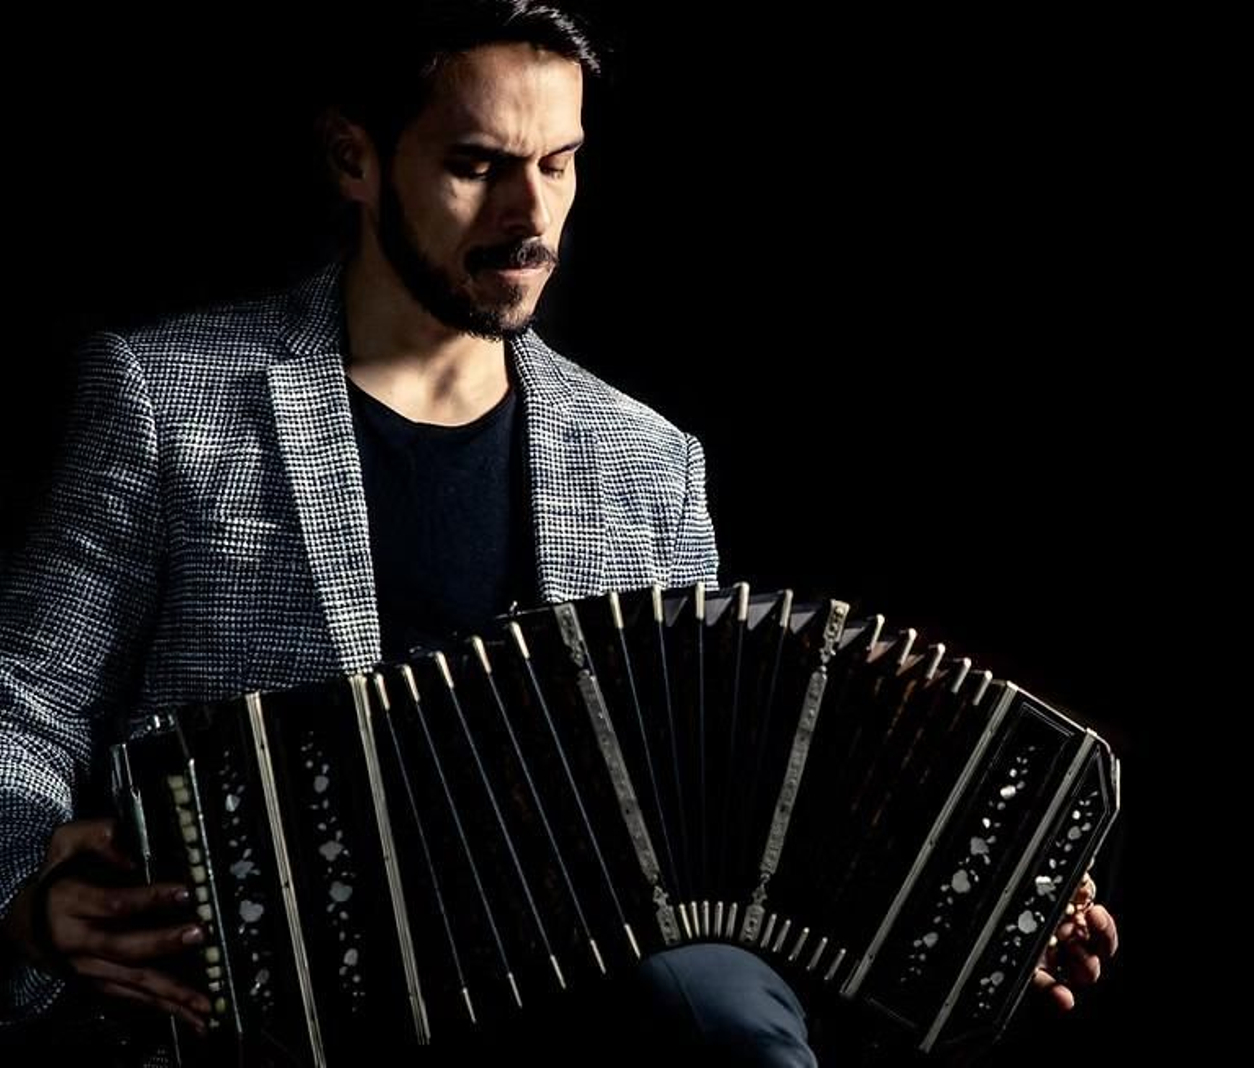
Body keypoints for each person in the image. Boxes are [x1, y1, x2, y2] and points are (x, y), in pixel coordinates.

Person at [0, 2, 1116, 1062]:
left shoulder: (649, 463)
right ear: (354, 159)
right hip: (272, 1013)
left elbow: (744, 831)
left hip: (587, 1014)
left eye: (558, 163)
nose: (529, 218)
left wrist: (988, 927)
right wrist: (30, 899)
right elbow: (25, 712)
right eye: (477, 166)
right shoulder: (164, 398)